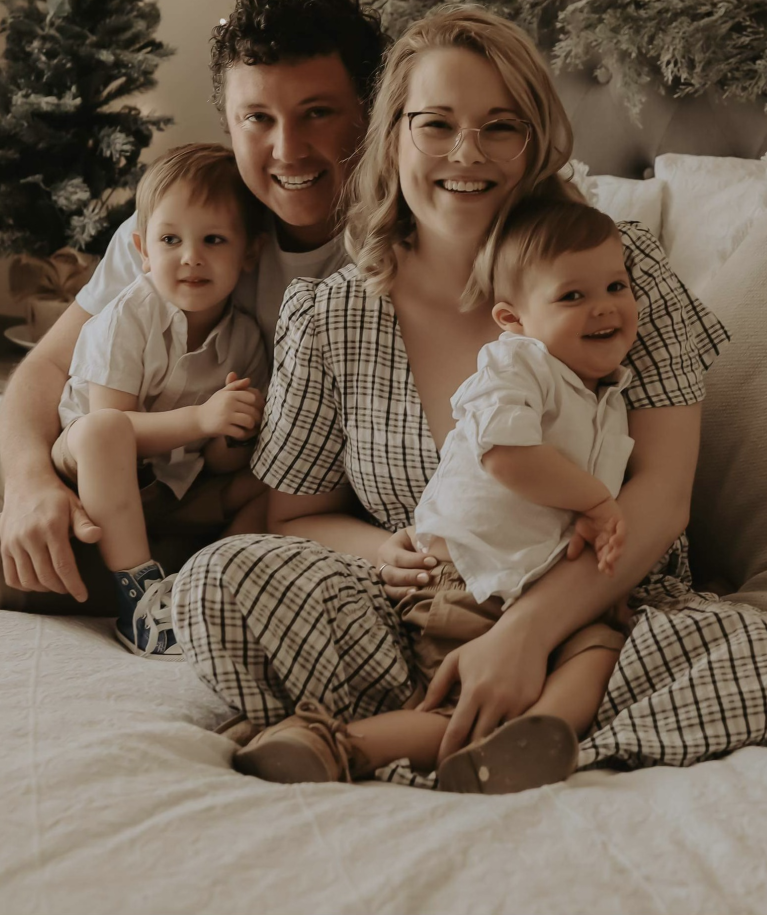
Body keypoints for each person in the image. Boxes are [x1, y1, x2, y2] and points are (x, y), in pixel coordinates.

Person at [172, 6, 767, 789]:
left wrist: (527, 635)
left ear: (535, 142)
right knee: (219, 579)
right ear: (394, 135)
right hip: (414, 614)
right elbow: (296, 519)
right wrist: (382, 551)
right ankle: (474, 721)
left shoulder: (619, 275)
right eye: (436, 125)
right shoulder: (330, 316)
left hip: (604, 617)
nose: (466, 155)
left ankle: (397, 736)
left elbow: (664, 498)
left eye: (499, 127)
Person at [0, 0, 387, 614]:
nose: (287, 148)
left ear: (368, 111)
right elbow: (49, 365)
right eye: (257, 118)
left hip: (187, 496)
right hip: (80, 436)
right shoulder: (181, 221)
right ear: (229, 123)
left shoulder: (387, 255)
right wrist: (28, 481)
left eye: (316, 113)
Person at [232, 198, 635, 790]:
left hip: (544, 592)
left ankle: (535, 736)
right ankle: (334, 744)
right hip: (468, 578)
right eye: (571, 296)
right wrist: (597, 505)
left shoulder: (605, 396)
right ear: (513, 318)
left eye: (616, 286)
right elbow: (505, 453)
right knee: (452, 700)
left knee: (600, 651)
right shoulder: (516, 365)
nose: (603, 306)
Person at [52, 144, 269, 656]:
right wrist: (201, 418)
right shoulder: (128, 318)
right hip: (88, 471)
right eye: (170, 240)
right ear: (143, 249)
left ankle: (213, 590)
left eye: (213, 240)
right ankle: (139, 600)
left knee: (269, 486)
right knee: (103, 431)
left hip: (174, 488)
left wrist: (233, 432)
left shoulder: (245, 340)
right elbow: (114, 426)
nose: (190, 256)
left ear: (250, 253)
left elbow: (216, 458)